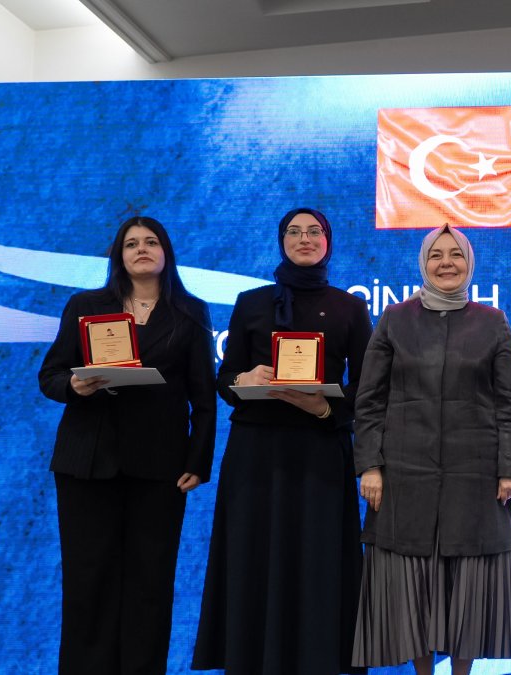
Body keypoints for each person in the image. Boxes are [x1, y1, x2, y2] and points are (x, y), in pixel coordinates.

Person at [192, 207, 372, 675]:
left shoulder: (351, 308)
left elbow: (370, 390)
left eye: (314, 232)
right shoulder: (251, 303)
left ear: (328, 242)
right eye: (294, 232)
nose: (304, 238)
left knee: (317, 567)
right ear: (281, 241)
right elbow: (224, 379)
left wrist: (325, 408)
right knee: (254, 562)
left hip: (320, 452)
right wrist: (245, 376)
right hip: (256, 453)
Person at [38, 216, 215, 674]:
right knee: (88, 583)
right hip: (87, 463)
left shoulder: (191, 313)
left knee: (149, 586)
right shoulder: (85, 305)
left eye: (151, 242)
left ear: (166, 253)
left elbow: (203, 395)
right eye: (131, 243)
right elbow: (50, 375)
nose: (141, 249)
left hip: (160, 468)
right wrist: (74, 387)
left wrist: (199, 460)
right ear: (118, 254)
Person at [350, 224, 511, 674]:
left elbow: (510, 404)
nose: (446, 263)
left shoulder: (493, 322)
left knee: (467, 590)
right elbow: (369, 400)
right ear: (423, 264)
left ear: (470, 264)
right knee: (414, 592)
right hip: (405, 477)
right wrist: (370, 464)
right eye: (436, 255)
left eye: (456, 255)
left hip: (477, 477)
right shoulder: (394, 319)